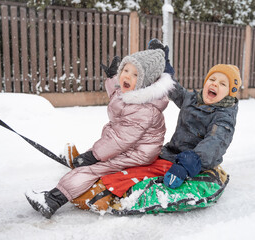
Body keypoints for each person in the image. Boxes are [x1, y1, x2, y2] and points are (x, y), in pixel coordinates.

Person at [25, 48, 175, 219]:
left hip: (138, 153)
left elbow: (120, 140)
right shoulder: (131, 94)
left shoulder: (144, 109)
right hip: (126, 144)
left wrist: (95, 156)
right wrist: (112, 78)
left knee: (93, 168)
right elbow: (115, 93)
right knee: (94, 156)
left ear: (145, 82)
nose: (126, 76)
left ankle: (52, 200)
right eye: (125, 70)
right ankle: (80, 166)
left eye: (134, 74)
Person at [100, 39, 241, 198]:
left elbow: (215, 142)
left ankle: (111, 192)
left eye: (223, 84)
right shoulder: (192, 99)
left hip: (193, 163)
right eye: (212, 79)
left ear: (230, 92)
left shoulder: (223, 117)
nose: (215, 84)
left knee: (142, 175)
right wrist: (163, 63)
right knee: (136, 162)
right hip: (170, 153)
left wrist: (188, 163)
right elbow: (172, 87)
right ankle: (102, 172)